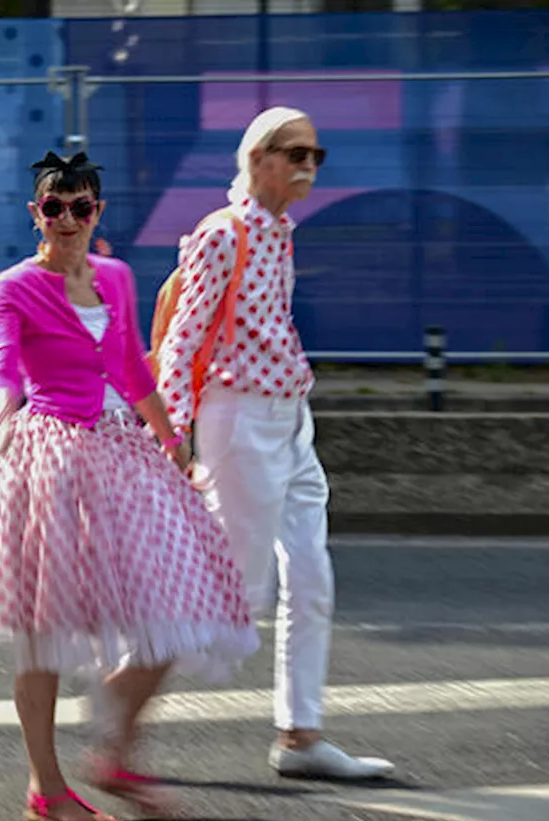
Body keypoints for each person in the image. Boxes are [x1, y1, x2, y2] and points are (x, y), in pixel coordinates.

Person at [0, 150, 259, 821]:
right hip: (49, 455)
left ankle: (116, 749)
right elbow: (3, 366)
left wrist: (170, 437)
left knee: (179, 593)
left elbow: (129, 363)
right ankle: (48, 787)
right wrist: (3, 419)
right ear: (37, 213)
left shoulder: (117, 277)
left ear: (97, 212)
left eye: (81, 207)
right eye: (55, 207)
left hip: (122, 451)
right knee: (44, 629)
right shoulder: (12, 285)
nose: (68, 219)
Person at [153, 107, 395, 780]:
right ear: (257, 158)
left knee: (312, 579)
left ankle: (300, 735)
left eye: (315, 154)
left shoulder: (280, 232)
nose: (307, 166)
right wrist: (172, 434)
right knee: (233, 593)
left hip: (291, 419)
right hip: (239, 420)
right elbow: (181, 343)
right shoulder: (221, 234)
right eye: (294, 153)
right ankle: (121, 699)